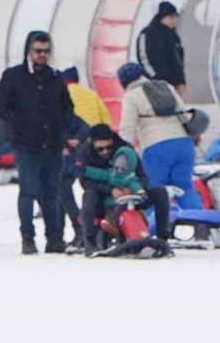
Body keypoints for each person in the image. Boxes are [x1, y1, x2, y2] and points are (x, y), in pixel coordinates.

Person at [0, 30, 75, 254]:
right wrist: (19, 123)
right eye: (38, 51)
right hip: (26, 143)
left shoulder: (55, 77)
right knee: (28, 190)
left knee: (51, 192)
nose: (42, 55)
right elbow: (0, 105)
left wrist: (63, 128)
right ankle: (27, 237)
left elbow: (67, 107)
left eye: (46, 51)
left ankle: (55, 238)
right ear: (29, 51)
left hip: (52, 144)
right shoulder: (14, 76)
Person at [116, 61, 203, 210]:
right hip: (183, 144)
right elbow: (184, 113)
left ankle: (154, 229)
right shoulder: (165, 87)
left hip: (156, 147)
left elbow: (127, 130)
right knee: (185, 187)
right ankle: (200, 225)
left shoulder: (131, 97)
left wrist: (122, 155)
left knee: (153, 190)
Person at [76, 124, 171, 257]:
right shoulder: (84, 153)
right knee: (89, 195)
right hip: (103, 199)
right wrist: (110, 190)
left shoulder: (125, 150)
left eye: (108, 148)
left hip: (131, 196)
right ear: (92, 143)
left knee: (160, 192)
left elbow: (142, 176)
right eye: (100, 149)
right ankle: (90, 242)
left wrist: (133, 188)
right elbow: (85, 182)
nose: (105, 152)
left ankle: (162, 239)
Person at [136, 1, 186, 95]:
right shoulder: (148, 33)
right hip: (156, 84)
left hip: (175, 84)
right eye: (171, 17)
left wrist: (181, 80)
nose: (174, 20)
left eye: (175, 17)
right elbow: (144, 58)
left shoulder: (174, 36)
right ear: (162, 17)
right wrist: (156, 78)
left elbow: (179, 60)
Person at [58, 114, 92, 247]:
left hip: (65, 164)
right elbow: (85, 128)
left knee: (64, 198)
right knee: (61, 198)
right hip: (68, 162)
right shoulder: (68, 115)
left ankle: (79, 229)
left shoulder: (61, 115)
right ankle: (62, 233)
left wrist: (68, 142)